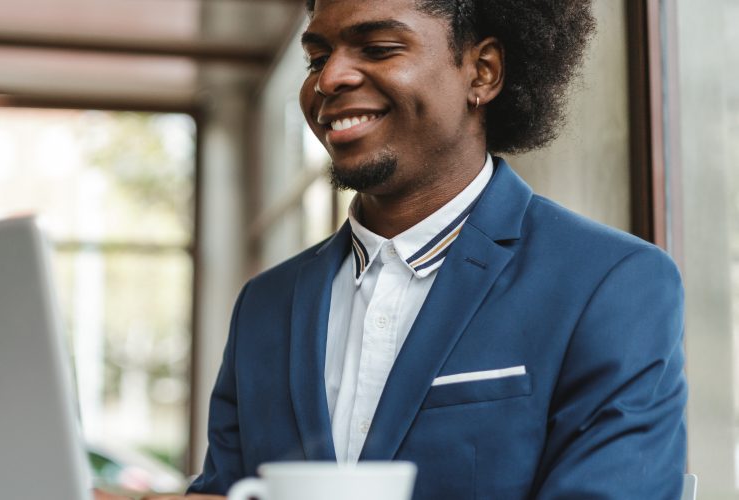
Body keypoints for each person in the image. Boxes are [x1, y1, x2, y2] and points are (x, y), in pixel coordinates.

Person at [157, 0, 686, 498]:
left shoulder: (612, 284)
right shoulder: (265, 305)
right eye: (317, 57)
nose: (330, 77)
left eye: (380, 48)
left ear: (482, 72)